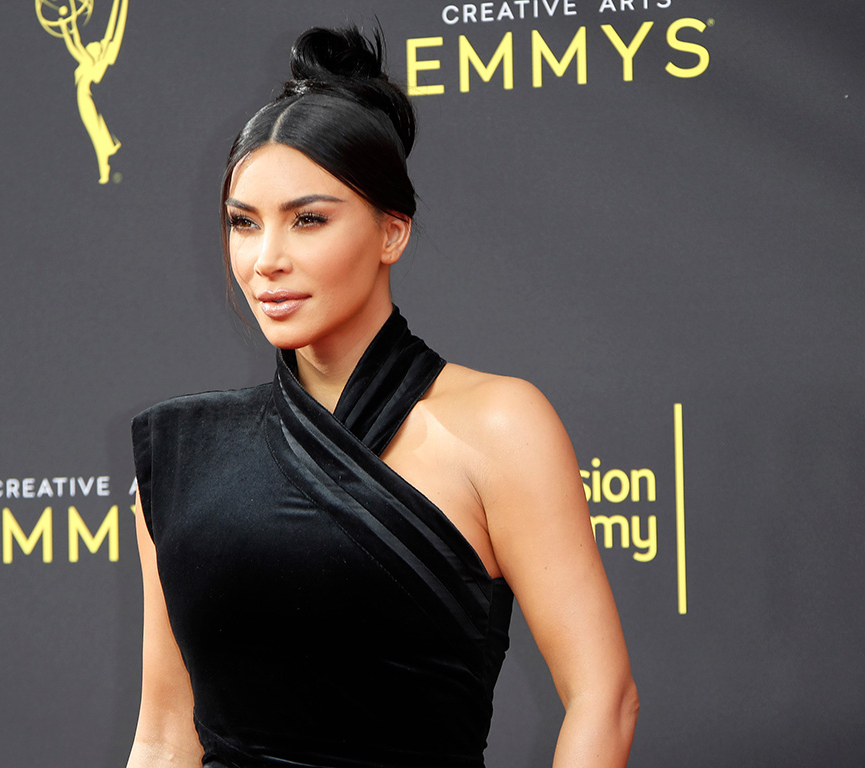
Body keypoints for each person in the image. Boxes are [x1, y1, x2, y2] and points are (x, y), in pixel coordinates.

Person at [127, 25, 638, 768]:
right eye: (243, 224)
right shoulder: (180, 455)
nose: (266, 259)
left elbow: (603, 696)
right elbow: (165, 735)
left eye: (308, 220)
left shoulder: (500, 425)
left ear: (391, 232)